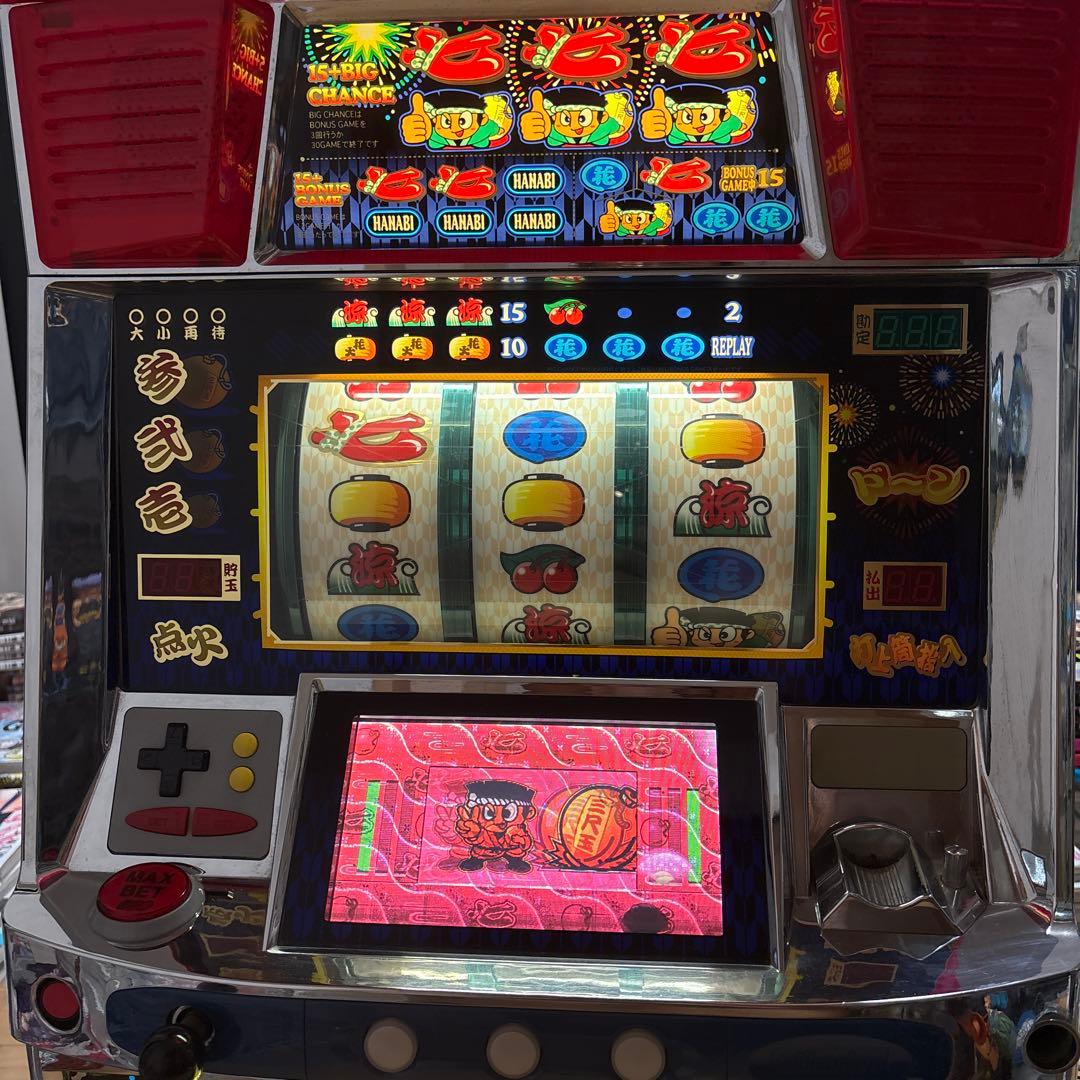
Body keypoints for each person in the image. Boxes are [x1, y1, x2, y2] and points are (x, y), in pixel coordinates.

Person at [639, 83, 757, 145]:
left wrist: (741, 125)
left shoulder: (726, 126)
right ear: (675, 115)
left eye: (704, 116)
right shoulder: (674, 130)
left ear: (725, 115)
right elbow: (662, 126)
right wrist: (655, 123)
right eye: (688, 117)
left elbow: (735, 122)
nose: (696, 124)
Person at [518, 87, 633, 147]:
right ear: (553, 118)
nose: (574, 126)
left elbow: (615, 126)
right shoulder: (551, 131)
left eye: (583, 118)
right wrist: (534, 125)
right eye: (566, 119)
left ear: (603, 117)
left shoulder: (605, 127)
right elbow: (539, 128)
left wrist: (620, 128)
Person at [400, 89, 513, 150]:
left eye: (463, 121)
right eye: (447, 122)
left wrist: (499, 130)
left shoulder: (484, 130)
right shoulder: (433, 135)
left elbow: (494, 128)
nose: (455, 129)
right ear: (434, 120)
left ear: (483, 119)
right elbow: (421, 130)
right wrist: (415, 128)